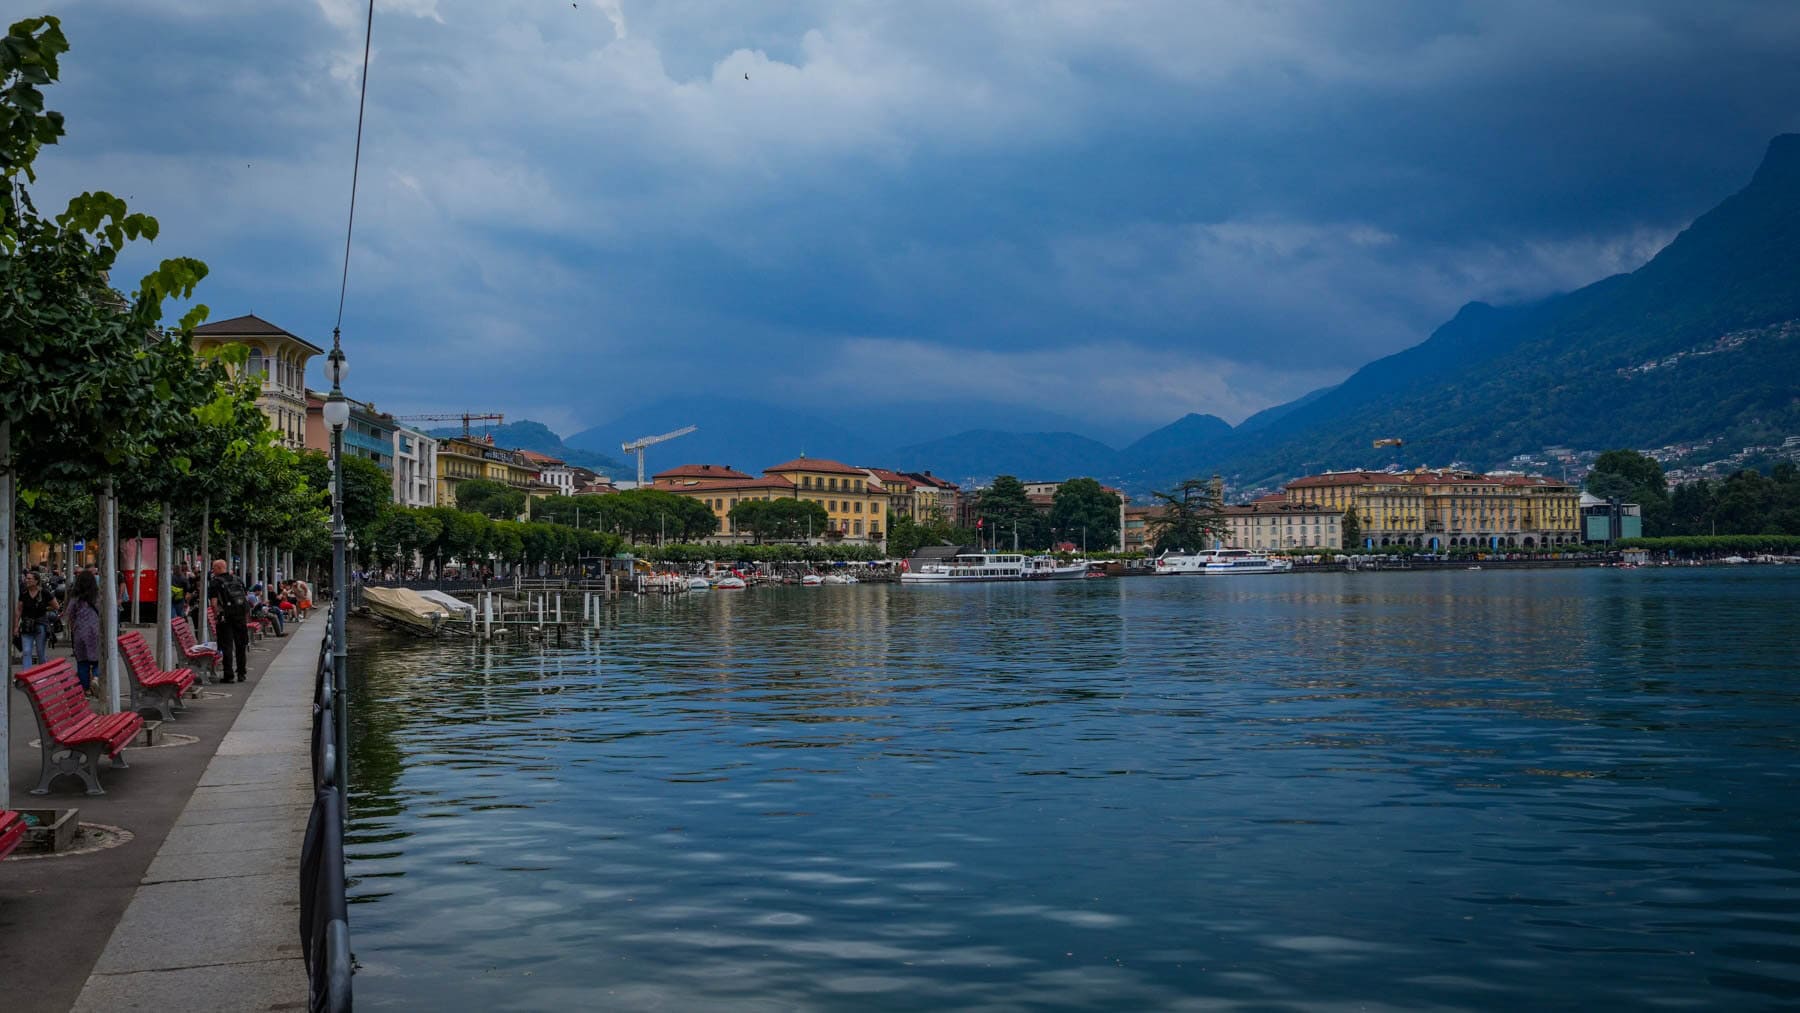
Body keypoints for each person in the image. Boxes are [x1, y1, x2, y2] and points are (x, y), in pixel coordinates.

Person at [207, 559, 250, 683]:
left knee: (227, 646)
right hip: (240, 617)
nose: (213, 570)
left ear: (219, 568)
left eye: (214, 568)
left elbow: (214, 603)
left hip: (225, 618)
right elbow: (244, 598)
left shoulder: (215, 583)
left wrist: (216, 616)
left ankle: (228, 675)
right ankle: (241, 673)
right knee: (241, 645)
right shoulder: (237, 580)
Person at [66, 571, 103, 693]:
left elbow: (69, 614)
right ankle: (96, 679)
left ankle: (85, 688)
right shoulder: (98, 597)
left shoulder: (75, 598)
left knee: (82, 662)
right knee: (98, 660)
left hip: (80, 633)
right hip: (96, 632)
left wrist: (74, 627)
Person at [15, 569, 55, 669]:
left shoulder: (44, 593)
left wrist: (44, 608)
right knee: (26, 651)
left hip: (40, 626)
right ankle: (27, 676)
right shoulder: (24, 593)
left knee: (40, 652)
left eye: (29, 579)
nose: (26, 580)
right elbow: (19, 610)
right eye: (26, 578)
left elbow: (56, 606)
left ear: (36, 581)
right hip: (26, 626)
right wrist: (16, 626)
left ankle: (43, 673)